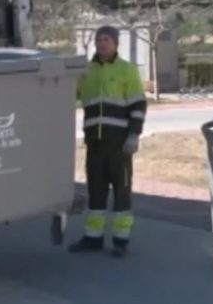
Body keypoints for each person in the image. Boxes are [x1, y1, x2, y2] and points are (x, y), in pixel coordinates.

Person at [69, 25, 147, 258]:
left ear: (115, 43)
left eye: (106, 40)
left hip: (119, 143)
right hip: (95, 142)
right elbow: (70, 96)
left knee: (122, 191)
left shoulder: (127, 70)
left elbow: (138, 105)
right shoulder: (85, 71)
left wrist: (134, 135)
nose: (101, 43)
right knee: (96, 191)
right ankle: (93, 238)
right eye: (98, 39)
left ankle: (121, 240)